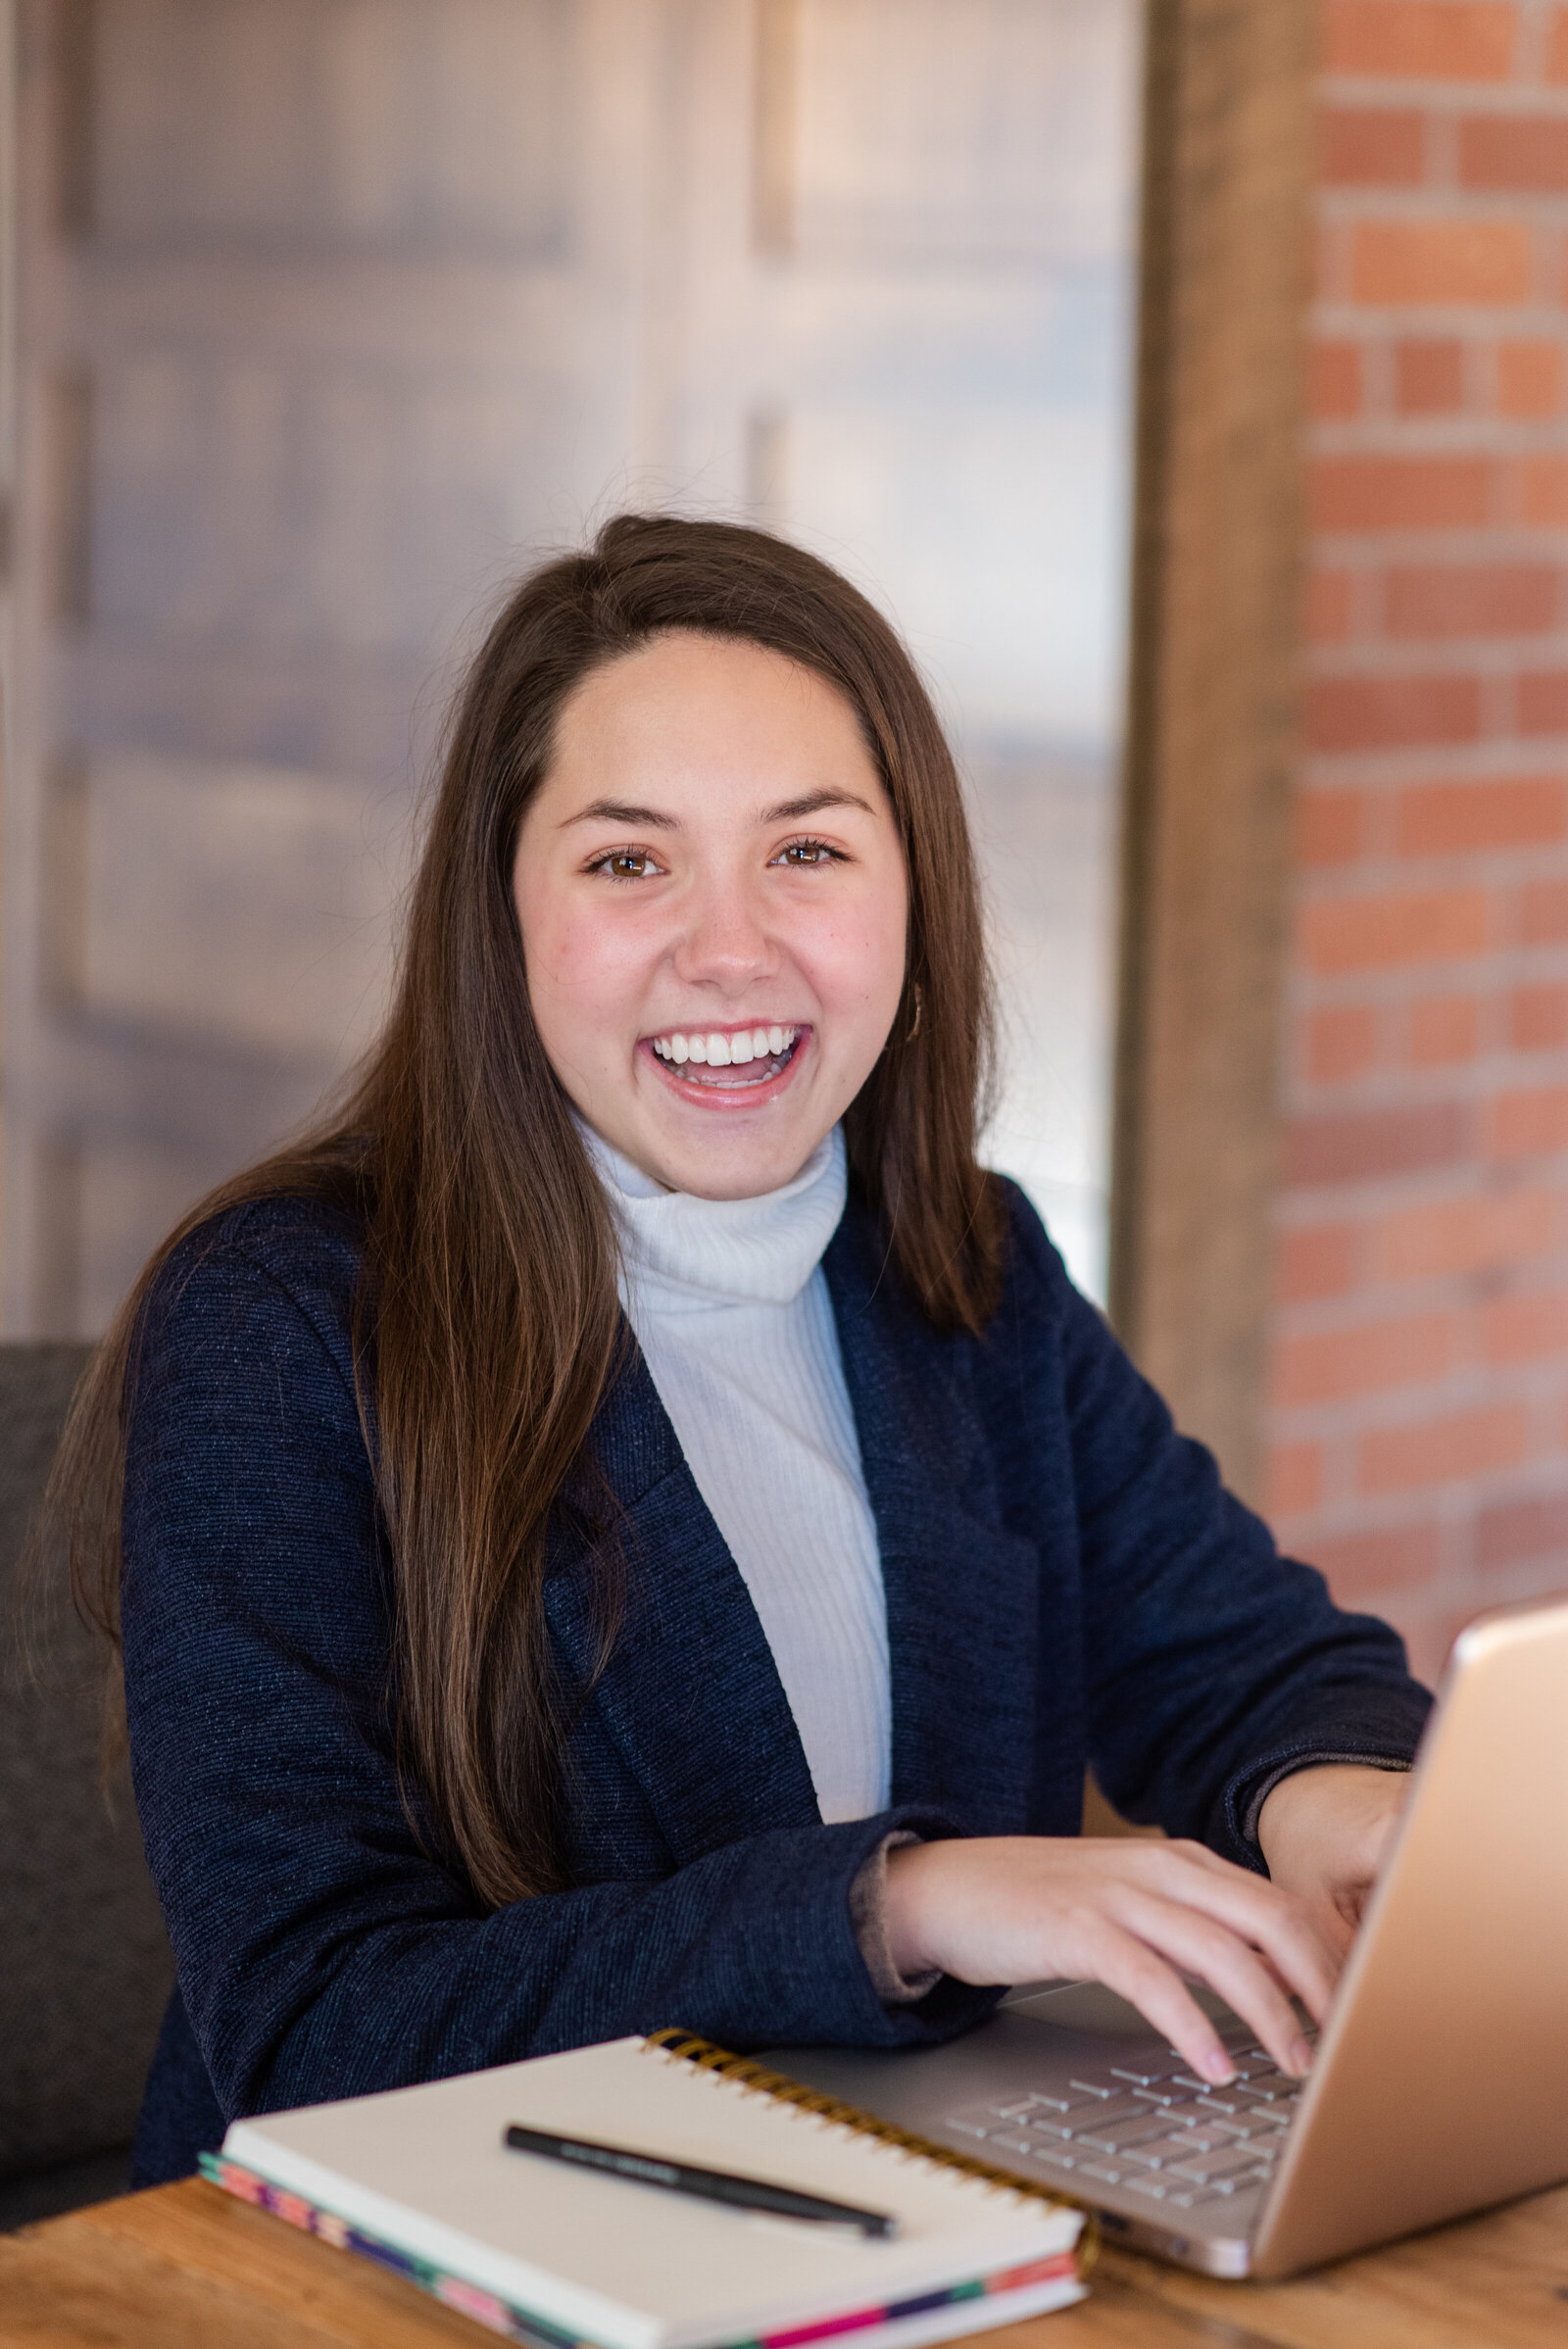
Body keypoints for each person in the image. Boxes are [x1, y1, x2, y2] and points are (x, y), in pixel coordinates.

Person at [55, 515, 1431, 2188]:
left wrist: (1338, 1801)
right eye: (629, 860)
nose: (729, 950)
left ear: (913, 890)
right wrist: (897, 1907)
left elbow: (1247, 1663)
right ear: (501, 910)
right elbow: (315, 2018)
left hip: (880, 2209)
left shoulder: (970, 1271)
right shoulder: (276, 1322)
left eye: (809, 852)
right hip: (401, 2259)